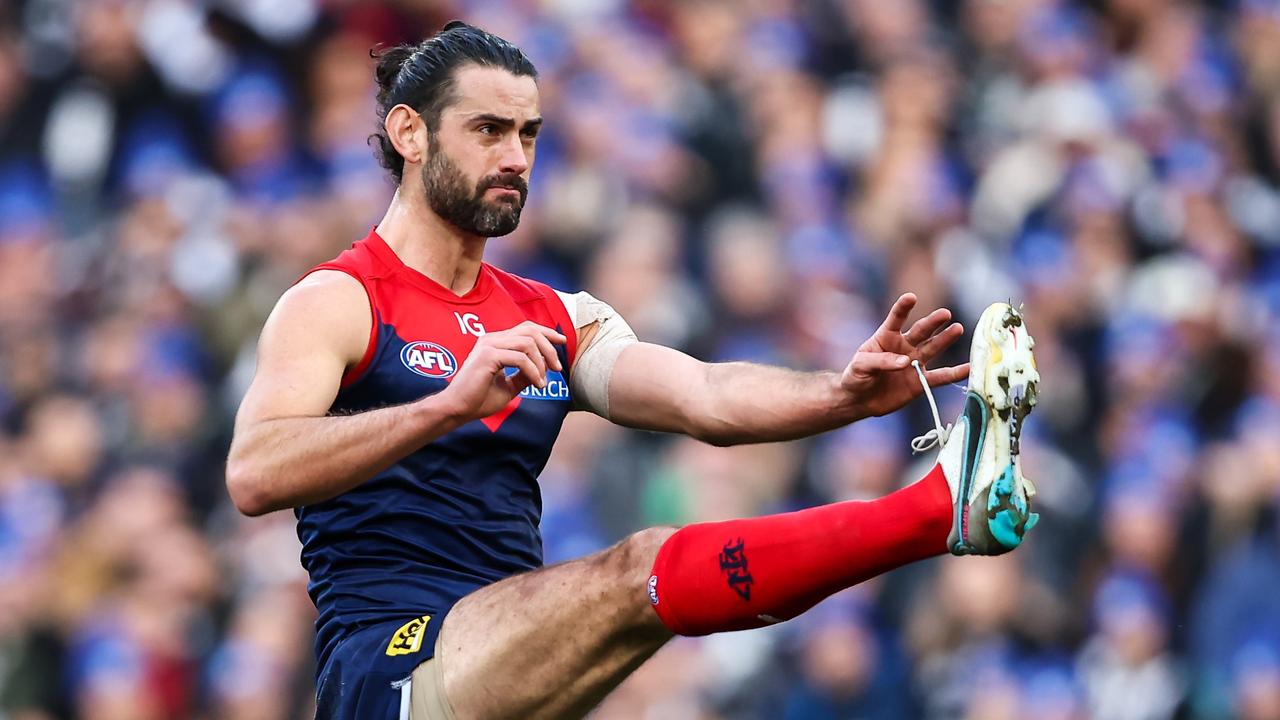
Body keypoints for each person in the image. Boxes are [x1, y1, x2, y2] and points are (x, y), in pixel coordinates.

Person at [225, 21, 1041, 720]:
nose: (515, 157)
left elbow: (705, 395)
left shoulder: (555, 315)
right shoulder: (337, 299)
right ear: (410, 134)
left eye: (529, 134)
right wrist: (441, 408)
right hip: (392, 663)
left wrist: (841, 395)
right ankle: (936, 512)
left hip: (508, 652)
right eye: (487, 131)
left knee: (653, 599)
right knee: (637, 570)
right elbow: (254, 474)